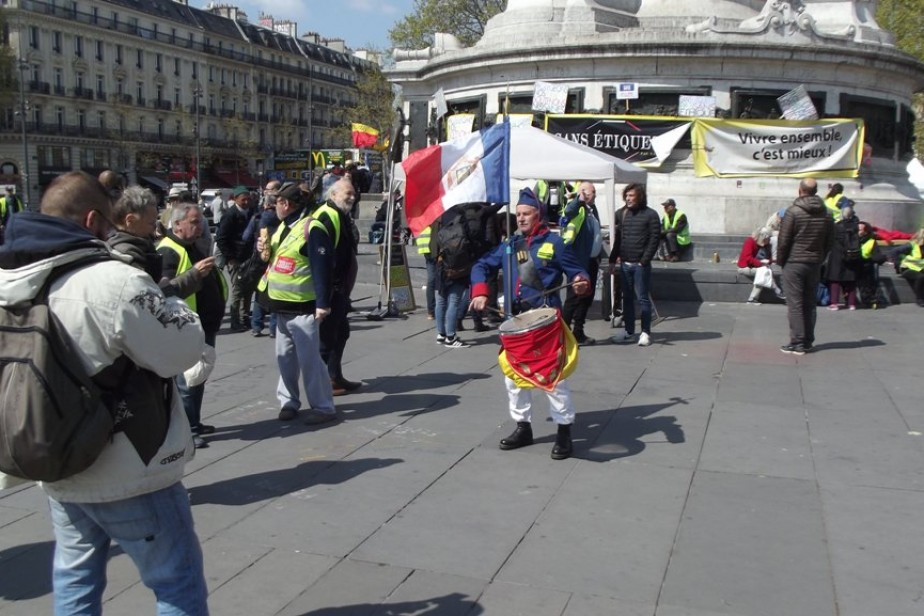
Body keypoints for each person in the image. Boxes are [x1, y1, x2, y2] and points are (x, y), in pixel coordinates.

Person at [0, 171, 209, 614]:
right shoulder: (113, 280)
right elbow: (178, 352)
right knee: (177, 582)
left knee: (76, 580)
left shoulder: (7, 279)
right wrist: (171, 303)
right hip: (130, 464)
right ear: (94, 219)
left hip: (57, 457)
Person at [470, 187, 591, 460]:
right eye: (519, 214)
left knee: (554, 380)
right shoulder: (510, 245)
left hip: (546, 324)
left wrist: (582, 281)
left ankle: (563, 431)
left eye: (527, 214)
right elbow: (481, 266)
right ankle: (523, 427)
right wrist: (479, 291)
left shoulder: (556, 244)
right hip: (515, 324)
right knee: (514, 378)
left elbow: (577, 271)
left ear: (538, 215)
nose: (521, 218)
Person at [255, 182, 338, 425]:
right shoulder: (284, 227)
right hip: (280, 306)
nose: (273, 206)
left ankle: (324, 407)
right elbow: (272, 258)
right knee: (285, 358)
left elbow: (322, 269)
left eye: (277, 202)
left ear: (285, 204)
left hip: (303, 308)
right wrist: (262, 250)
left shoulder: (312, 228)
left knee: (311, 361)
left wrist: (323, 304)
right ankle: (289, 401)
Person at [158, 204, 227, 448]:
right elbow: (164, 290)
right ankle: (188, 430)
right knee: (187, 380)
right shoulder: (168, 251)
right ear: (177, 224)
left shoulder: (193, 245)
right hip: (185, 325)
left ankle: (194, 423)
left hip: (204, 322)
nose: (200, 226)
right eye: (194, 222)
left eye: (201, 222)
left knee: (198, 376)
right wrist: (194, 273)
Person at [777, 177, 835, 354]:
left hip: (794, 262)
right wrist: (820, 257)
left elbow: (784, 241)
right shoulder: (827, 213)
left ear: (800, 190)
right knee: (810, 302)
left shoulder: (793, 212)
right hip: (814, 262)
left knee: (795, 303)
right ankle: (808, 340)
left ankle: (798, 341)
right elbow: (830, 241)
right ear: (816, 191)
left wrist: (781, 260)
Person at [314, 179, 362, 395]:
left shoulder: (340, 214)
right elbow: (321, 257)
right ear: (332, 195)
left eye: (354, 193)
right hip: (331, 289)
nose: (352, 197)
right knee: (326, 339)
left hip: (341, 288)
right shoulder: (326, 215)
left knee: (341, 332)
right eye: (347, 193)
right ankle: (321, 384)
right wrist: (326, 294)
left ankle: (335, 376)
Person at [608, 183, 661, 347]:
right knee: (627, 299)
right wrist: (612, 260)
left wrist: (644, 260)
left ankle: (645, 332)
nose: (628, 199)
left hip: (640, 265)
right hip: (624, 263)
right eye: (627, 196)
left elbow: (654, 239)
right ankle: (629, 331)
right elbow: (618, 239)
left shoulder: (651, 215)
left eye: (632, 196)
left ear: (640, 197)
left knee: (643, 298)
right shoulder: (622, 214)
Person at [560, 181, 602, 346]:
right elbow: (568, 212)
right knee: (573, 298)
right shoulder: (577, 207)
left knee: (586, 297)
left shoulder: (593, 209)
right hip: (578, 261)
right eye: (590, 192)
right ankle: (563, 335)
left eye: (593, 192)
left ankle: (578, 332)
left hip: (592, 260)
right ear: (582, 193)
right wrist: (579, 199)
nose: (593, 194)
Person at [216, 185, 255, 331]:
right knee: (237, 291)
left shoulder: (251, 212)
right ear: (236, 199)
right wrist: (230, 258)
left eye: (248, 199)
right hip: (235, 259)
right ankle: (235, 320)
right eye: (243, 199)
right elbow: (221, 239)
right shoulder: (230, 215)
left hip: (249, 257)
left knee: (248, 289)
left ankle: (245, 317)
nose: (246, 202)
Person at [247, 180, 281, 337]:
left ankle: (256, 325)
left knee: (261, 292)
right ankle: (274, 328)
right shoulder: (282, 220)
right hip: (277, 257)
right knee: (275, 293)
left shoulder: (259, 217)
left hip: (261, 257)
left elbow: (246, 236)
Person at [825, 205, 863, 311]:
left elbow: (830, 239)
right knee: (851, 279)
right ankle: (851, 303)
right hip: (852, 254)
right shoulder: (856, 227)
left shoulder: (837, 226)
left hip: (837, 255)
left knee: (835, 280)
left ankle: (834, 303)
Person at [737, 226, 785, 303]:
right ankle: (776, 289)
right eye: (767, 238)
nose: (769, 240)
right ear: (762, 237)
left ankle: (752, 298)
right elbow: (748, 258)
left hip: (756, 266)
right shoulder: (749, 241)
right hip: (744, 267)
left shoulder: (764, 245)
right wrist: (761, 264)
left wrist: (770, 261)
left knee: (763, 272)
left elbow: (766, 258)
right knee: (764, 271)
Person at [856, 220, 887, 309]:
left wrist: (882, 258)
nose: (857, 231)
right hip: (854, 264)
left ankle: (870, 300)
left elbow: (876, 255)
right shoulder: (852, 239)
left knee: (867, 282)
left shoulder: (871, 241)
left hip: (865, 265)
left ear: (865, 232)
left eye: (859, 230)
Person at [897, 228, 924, 307]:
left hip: (919, 269)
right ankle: (919, 298)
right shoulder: (912, 245)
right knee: (921, 277)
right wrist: (897, 264)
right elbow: (894, 252)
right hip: (907, 269)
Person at [415, 224, 437, 319]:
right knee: (442, 278)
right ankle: (435, 309)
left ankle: (431, 311)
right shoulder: (432, 214)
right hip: (434, 247)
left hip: (425, 247)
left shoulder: (420, 215)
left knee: (431, 280)